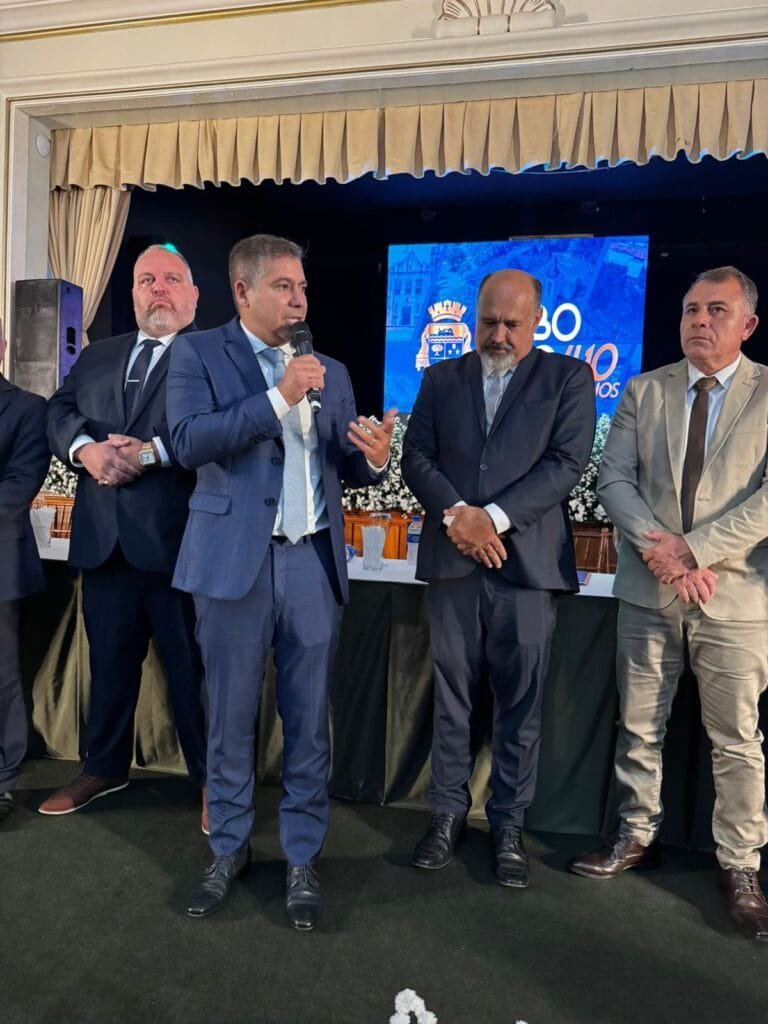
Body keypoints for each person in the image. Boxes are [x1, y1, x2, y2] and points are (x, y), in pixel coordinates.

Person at [166, 233, 395, 929]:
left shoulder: (331, 369)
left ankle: (301, 857)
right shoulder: (197, 354)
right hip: (231, 564)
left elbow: (343, 465)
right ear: (243, 291)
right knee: (229, 720)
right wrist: (276, 397)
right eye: (284, 287)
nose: (300, 300)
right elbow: (188, 442)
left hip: (310, 563)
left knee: (308, 723)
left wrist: (374, 460)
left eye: (303, 288)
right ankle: (227, 849)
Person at [568, 266, 768, 943]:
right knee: (639, 725)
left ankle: (741, 864)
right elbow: (613, 479)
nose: (699, 321)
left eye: (716, 310)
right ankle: (635, 833)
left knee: (737, 741)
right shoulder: (643, 389)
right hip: (650, 590)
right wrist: (664, 554)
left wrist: (695, 551)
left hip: (734, 596)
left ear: (748, 324)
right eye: (690, 310)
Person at [401, 269, 595, 888]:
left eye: (512, 323)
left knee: (520, 703)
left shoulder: (568, 377)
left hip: (527, 568)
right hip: (454, 563)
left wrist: (494, 519)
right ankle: (445, 815)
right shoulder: (440, 378)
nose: (499, 335)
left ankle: (508, 824)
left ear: (537, 321)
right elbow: (416, 457)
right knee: (452, 699)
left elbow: (567, 462)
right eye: (489, 322)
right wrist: (460, 516)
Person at [39, 245, 207, 826]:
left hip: (182, 548)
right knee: (108, 670)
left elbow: (219, 431)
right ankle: (104, 768)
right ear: (132, 293)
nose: (158, 288)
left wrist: (150, 454)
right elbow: (58, 412)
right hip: (104, 546)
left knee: (195, 676)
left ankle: (214, 782)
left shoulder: (216, 355)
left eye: (171, 279)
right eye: (146, 279)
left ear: (194, 295)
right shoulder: (98, 355)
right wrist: (85, 450)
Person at [0, 326, 50, 825]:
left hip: (1, 563)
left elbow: (20, 485)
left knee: (1, 679)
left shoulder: (27, 408)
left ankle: (2, 780)